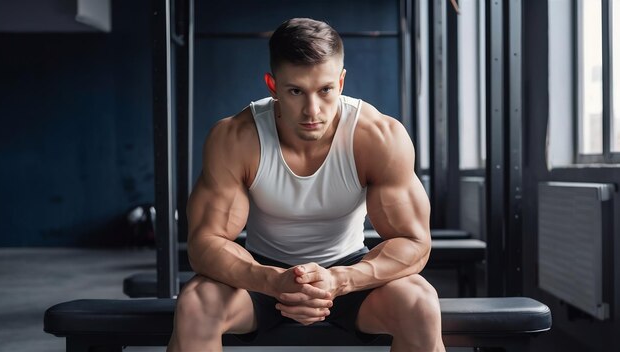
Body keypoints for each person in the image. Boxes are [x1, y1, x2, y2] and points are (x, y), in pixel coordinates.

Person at [167, 17, 445, 352]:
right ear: (272, 85)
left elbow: (414, 242)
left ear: (341, 82)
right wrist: (272, 280)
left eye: (325, 90)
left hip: (348, 272)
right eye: (295, 91)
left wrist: (339, 280)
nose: (312, 110)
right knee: (196, 306)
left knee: (420, 304)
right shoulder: (236, 138)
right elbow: (204, 243)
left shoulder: (378, 137)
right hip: (261, 272)